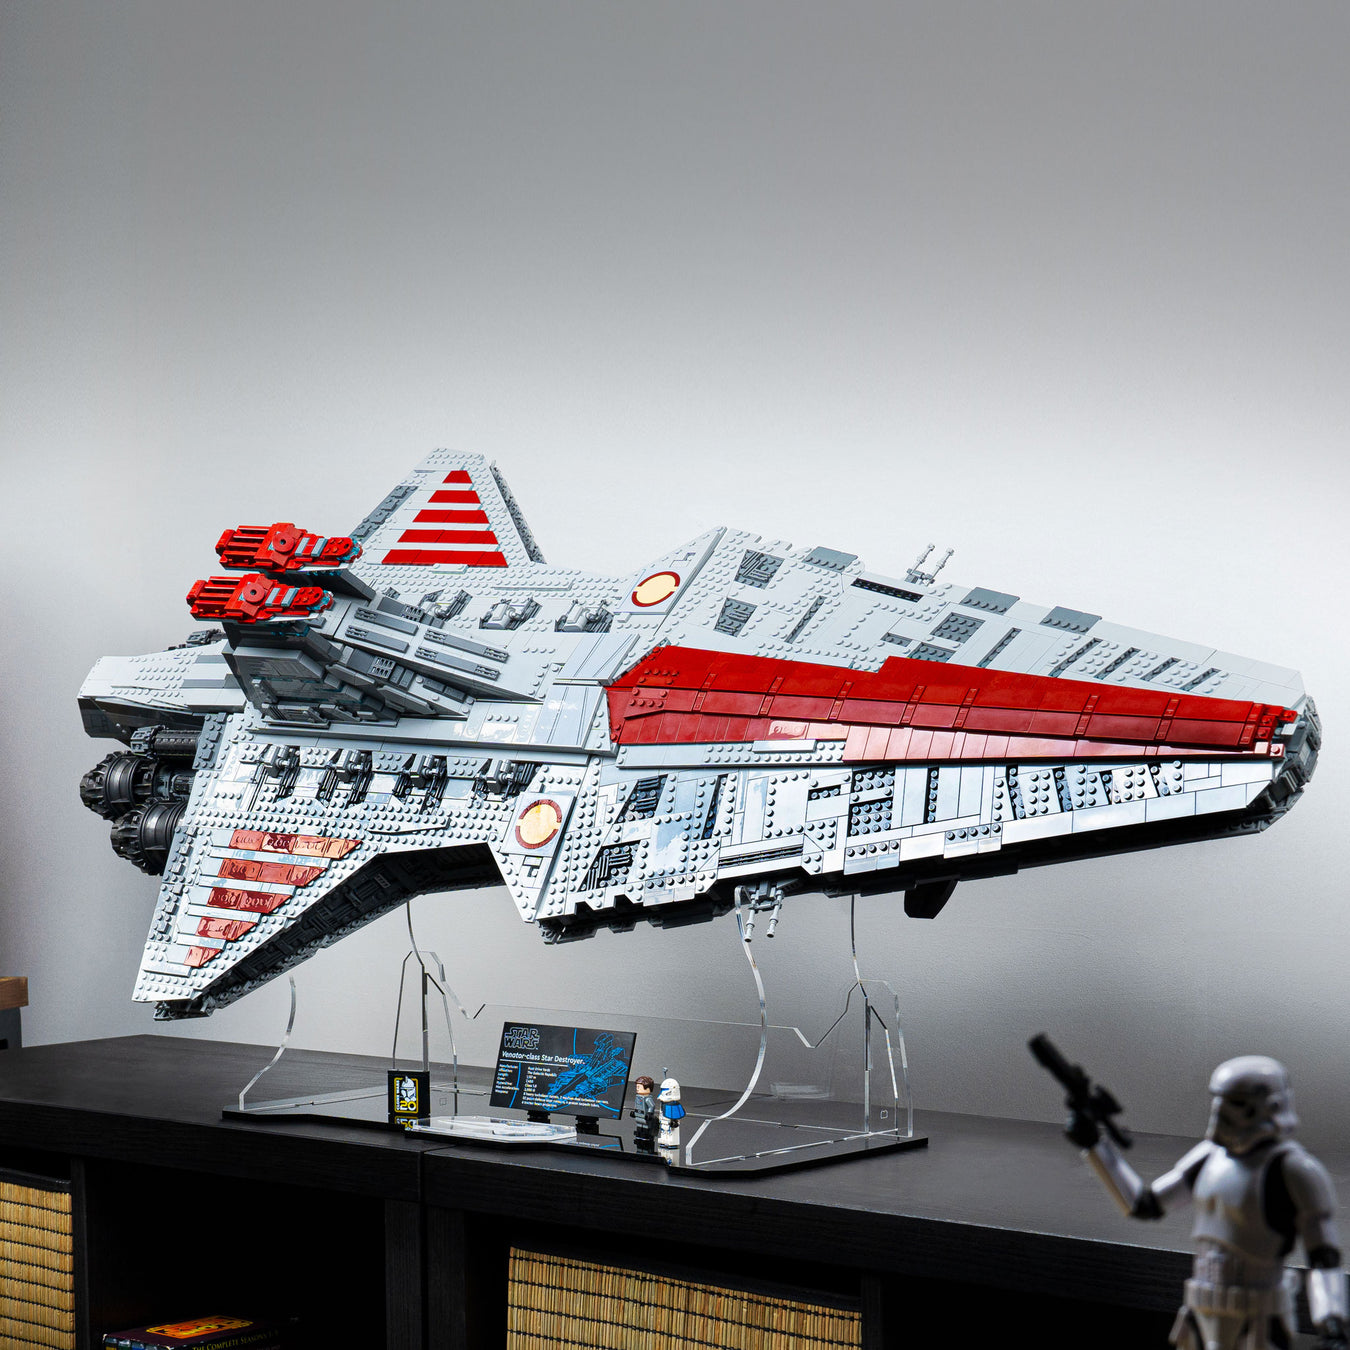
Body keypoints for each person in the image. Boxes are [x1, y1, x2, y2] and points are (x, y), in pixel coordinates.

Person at [1069, 1055, 1348, 1350]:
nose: (1221, 1110)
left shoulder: (1293, 1169)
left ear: (1271, 1106)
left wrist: (1332, 1325)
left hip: (1258, 1318)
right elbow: (1144, 1204)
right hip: (1202, 1311)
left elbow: (1324, 1255)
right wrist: (1095, 1145)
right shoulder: (1209, 1156)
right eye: (1219, 1099)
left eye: (1235, 1102)